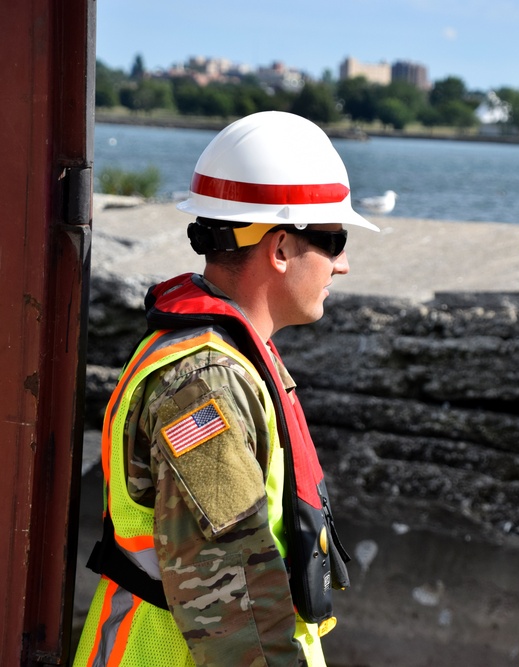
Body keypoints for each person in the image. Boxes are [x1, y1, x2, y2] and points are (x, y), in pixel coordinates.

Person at [74, 111, 379, 666]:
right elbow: (233, 607)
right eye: (334, 240)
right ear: (280, 248)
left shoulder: (225, 361)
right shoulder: (203, 383)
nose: (344, 265)